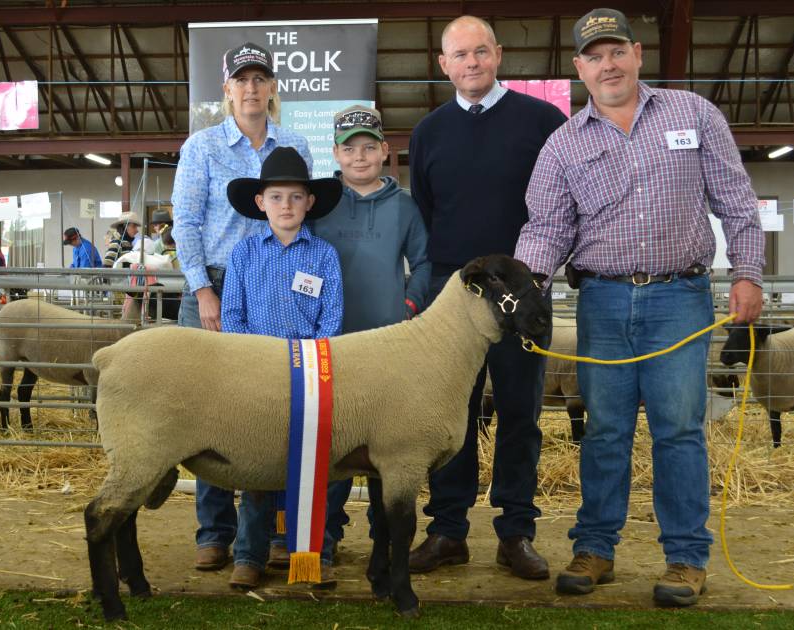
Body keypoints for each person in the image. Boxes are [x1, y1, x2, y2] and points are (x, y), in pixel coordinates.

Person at [514, 8, 765, 607]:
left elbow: (736, 200)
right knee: (605, 430)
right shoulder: (563, 144)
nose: (608, 65)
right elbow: (547, 227)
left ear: (638, 54)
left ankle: (685, 558)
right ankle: (596, 547)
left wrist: (748, 272)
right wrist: (524, 288)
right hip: (600, 298)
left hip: (680, 295)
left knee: (678, 429)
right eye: (594, 57)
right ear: (579, 68)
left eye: (616, 51)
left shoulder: (692, 114)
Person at [406, 15, 567, 581]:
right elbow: (427, 213)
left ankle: (516, 531)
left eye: (480, 52)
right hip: (453, 298)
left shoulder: (543, 121)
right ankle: (448, 530)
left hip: (521, 292)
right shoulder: (428, 132)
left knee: (520, 411)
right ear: (442, 63)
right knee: (451, 414)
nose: (471, 63)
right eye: (459, 54)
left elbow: (558, 205)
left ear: (497, 55)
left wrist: (533, 281)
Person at [170, 41, 313, 573]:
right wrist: (203, 290)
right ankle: (214, 531)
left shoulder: (294, 143)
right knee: (212, 410)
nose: (252, 89)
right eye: (242, 80)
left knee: (273, 412)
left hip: (276, 291)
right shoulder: (203, 147)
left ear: (272, 87)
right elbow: (184, 222)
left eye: (260, 79)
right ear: (226, 89)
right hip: (216, 285)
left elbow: (305, 219)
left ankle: (270, 535)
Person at [312, 105, 431, 564]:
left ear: (384, 150)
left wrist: (410, 303)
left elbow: (422, 262)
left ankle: (385, 543)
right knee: (332, 443)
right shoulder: (320, 203)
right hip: (333, 344)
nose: (359, 157)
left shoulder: (404, 206)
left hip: (388, 347)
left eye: (367, 147)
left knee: (390, 443)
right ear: (336, 153)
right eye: (349, 148)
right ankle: (324, 539)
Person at [220, 146, 344, 589]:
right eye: (276, 197)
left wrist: (308, 361)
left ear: (309, 202)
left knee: (315, 469)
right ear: (260, 203)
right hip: (257, 377)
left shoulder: (324, 255)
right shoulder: (244, 254)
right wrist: (256, 360)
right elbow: (231, 316)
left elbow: (331, 318)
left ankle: (313, 556)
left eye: (295, 197)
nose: (286, 206)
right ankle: (249, 556)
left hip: (310, 379)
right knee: (256, 470)